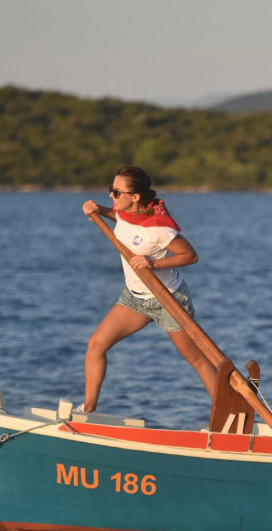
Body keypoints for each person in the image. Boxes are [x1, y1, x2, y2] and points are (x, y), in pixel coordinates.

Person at [79, 166, 216, 413]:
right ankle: (87, 410)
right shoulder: (125, 212)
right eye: (111, 190)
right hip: (135, 299)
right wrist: (100, 210)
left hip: (169, 299)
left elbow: (191, 256)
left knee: (196, 358)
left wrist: (153, 263)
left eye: (117, 192)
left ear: (136, 197)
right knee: (96, 344)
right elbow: (122, 219)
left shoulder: (159, 229)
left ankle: (230, 415)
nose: (112, 195)